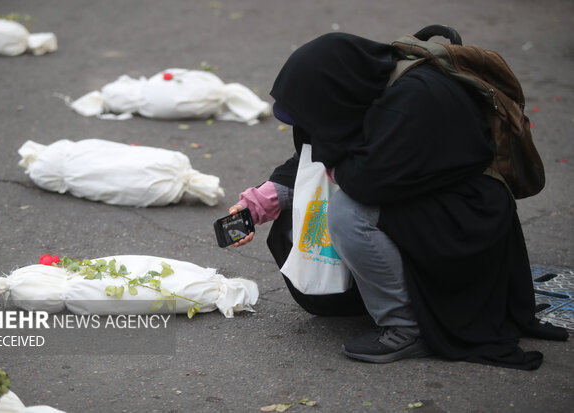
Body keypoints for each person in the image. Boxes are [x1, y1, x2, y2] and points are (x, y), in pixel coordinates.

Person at [229, 32, 568, 370]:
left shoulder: (416, 99)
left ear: (334, 90)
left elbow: (362, 182)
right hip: (424, 198)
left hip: (469, 217)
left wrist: (317, 173)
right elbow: (311, 161)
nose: (312, 126)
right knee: (312, 203)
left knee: (347, 213)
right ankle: (393, 297)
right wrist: (261, 202)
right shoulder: (365, 89)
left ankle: (408, 327)